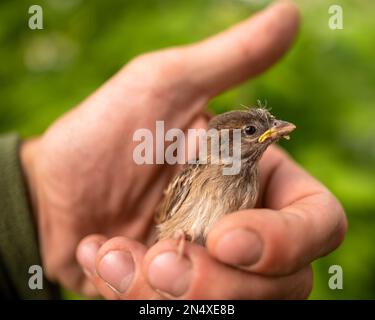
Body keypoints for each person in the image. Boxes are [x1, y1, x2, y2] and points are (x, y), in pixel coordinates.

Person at [0, 1, 347, 299]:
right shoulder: (200, 172)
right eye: (250, 131)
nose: (265, 133)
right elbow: (165, 219)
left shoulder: (251, 179)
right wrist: (36, 202)